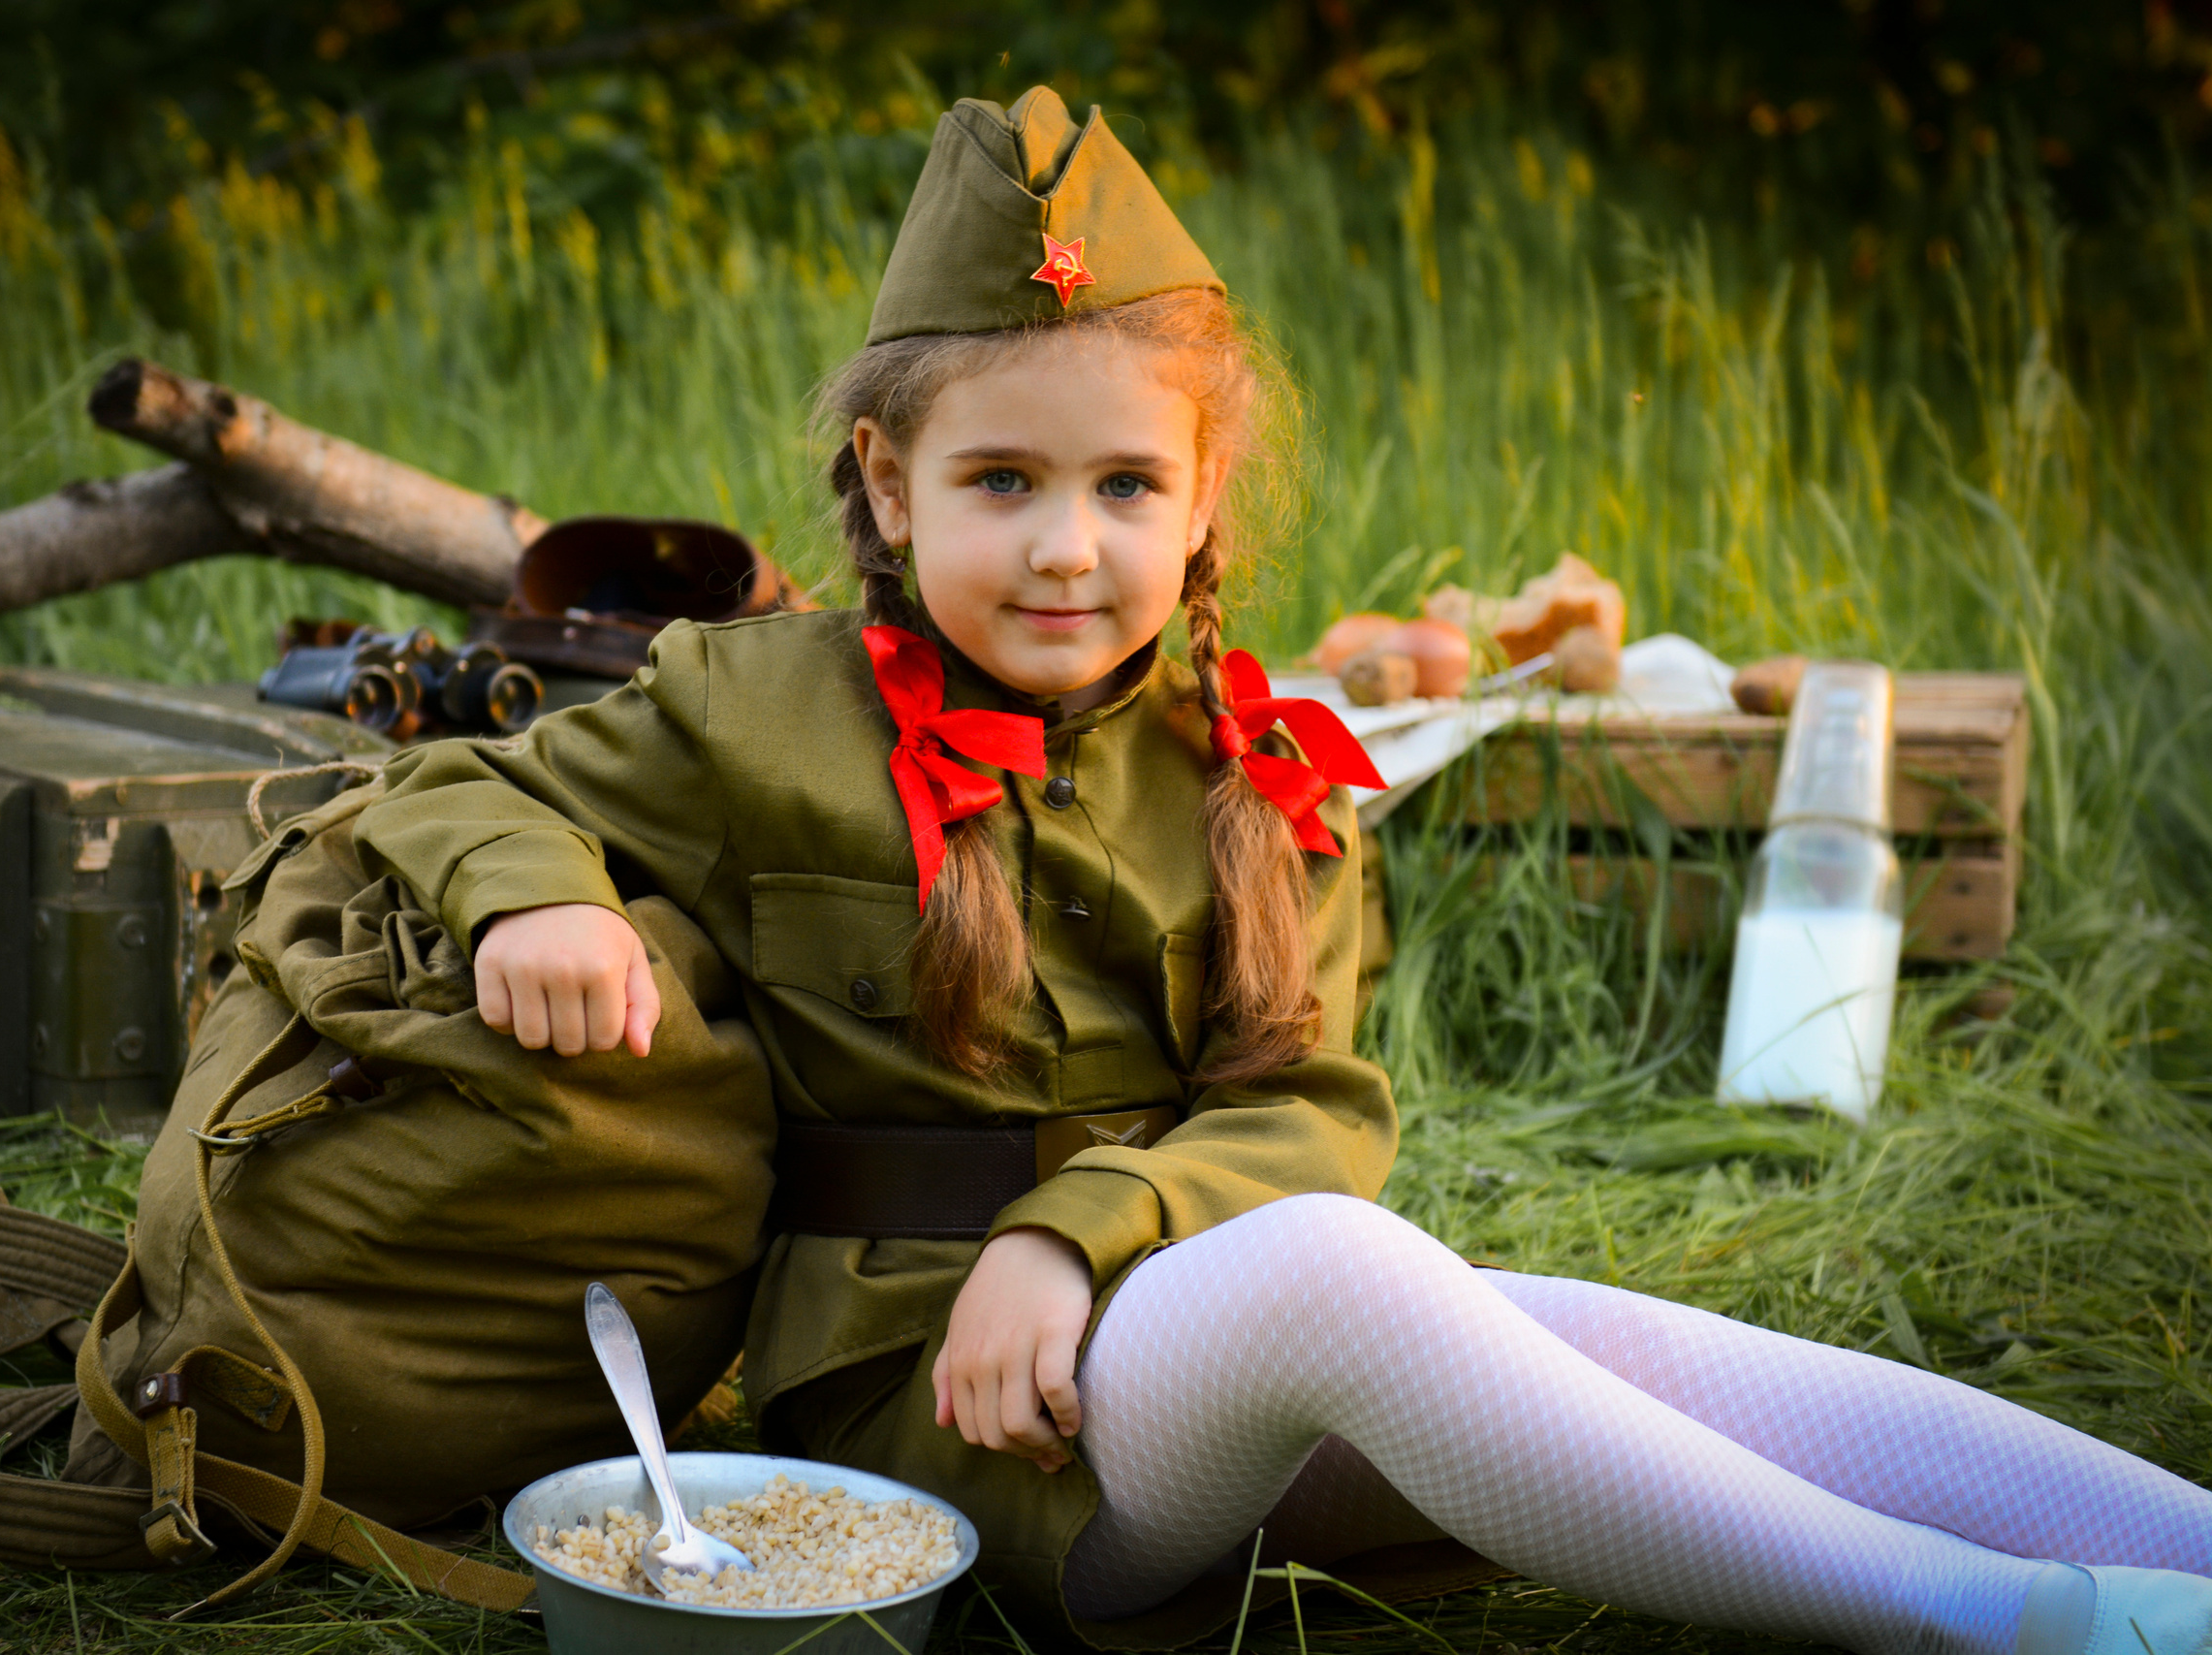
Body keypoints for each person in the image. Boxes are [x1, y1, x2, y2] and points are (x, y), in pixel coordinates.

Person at [353, 87, 2212, 1655]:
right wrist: (544, 893)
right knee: (1345, 1272)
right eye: (999, 480)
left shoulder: (1259, 768)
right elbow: (449, 791)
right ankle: (1977, 1616)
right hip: (940, 1410)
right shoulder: (756, 707)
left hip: (1186, 1343)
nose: (1066, 549)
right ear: (890, 483)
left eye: (1126, 488)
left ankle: (2178, 1562)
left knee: (1588, 1334)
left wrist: (1074, 1235)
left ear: (1205, 493)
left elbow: (1315, 1109)